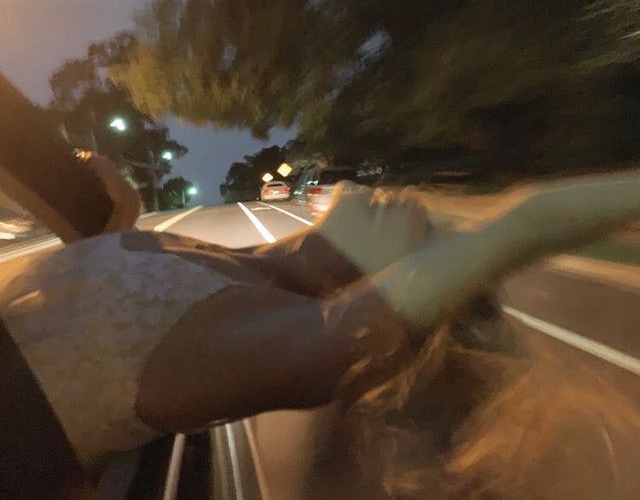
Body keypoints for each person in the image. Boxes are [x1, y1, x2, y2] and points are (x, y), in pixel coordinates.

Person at [2, 154, 640, 498]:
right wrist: (115, 225)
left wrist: (522, 223)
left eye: (428, 239)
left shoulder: (288, 344)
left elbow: (528, 225)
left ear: (384, 284)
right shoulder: (234, 267)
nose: (410, 200)